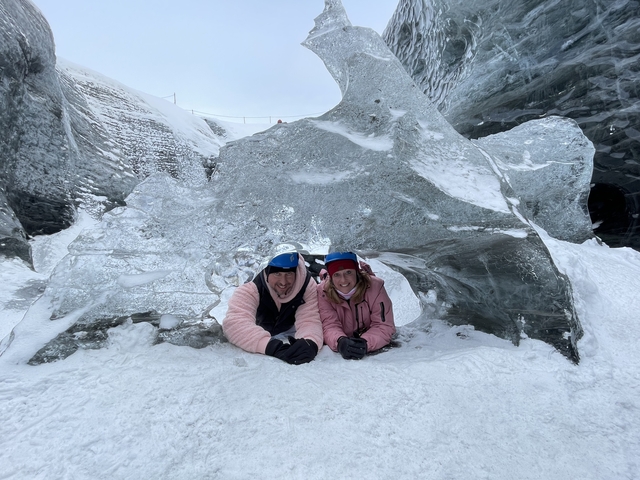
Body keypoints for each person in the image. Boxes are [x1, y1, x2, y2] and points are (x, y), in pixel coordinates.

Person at [222, 251, 323, 365]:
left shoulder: (307, 285)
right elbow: (234, 323)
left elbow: (310, 319)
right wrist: (272, 347)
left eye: (289, 274)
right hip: (257, 330)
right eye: (277, 274)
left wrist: (310, 342)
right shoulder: (252, 285)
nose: (283, 282)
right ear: (267, 272)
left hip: (289, 330)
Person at [317, 252, 396, 360]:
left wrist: (365, 343)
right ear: (331, 276)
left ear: (356, 272)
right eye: (337, 274)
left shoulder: (375, 288)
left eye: (348, 272)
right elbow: (329, 325)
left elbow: (384, 325)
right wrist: (340, 341)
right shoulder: (322, 293)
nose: (343, 280)